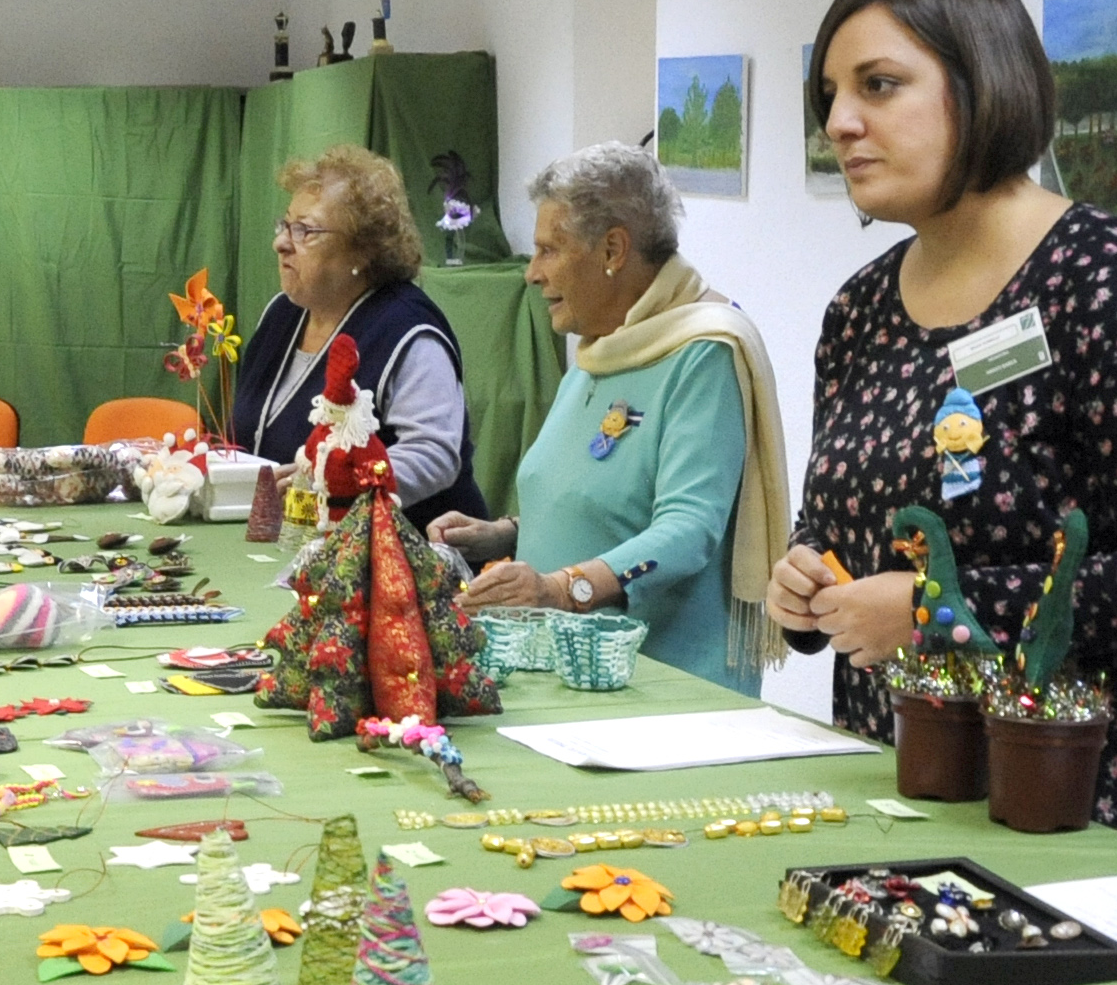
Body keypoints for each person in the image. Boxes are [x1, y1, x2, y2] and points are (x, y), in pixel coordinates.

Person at [766, 0, 1117, 862]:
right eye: (828, 94)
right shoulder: (861, 308)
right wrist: (806, 582)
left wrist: (942, 605)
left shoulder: (1104, 283)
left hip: (1089, 811)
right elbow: (845, 528)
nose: (840, 122)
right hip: (904, 795)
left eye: (879, 84)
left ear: (982, 86)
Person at [427, 143, 792, 699]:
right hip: (566, 675)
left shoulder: (703, 353)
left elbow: (688, 529)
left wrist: (560, 587)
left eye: (549, 250)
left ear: (613, 249)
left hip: (661, 694)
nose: (531, 273)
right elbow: (604, 503)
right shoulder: (603, 347)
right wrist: (502, 535)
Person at [224, 144, 485, 527]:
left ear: (363, 250)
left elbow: (434, 455)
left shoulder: (408, 331)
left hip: (397, 561)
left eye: (305, 231)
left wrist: (329, 483)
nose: (280, 243)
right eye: (285, 225)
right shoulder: (281, 313)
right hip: (289, 546)